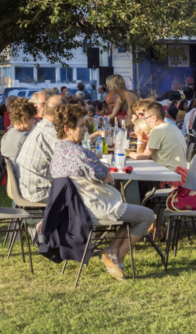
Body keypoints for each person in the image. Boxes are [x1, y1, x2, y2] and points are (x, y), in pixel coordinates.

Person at [49, 104, 155, 281]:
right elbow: (108, 178)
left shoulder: (58, 151)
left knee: (131, 217)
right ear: (68, 129)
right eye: (82, 125)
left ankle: (111, 250)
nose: (85, 129)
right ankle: (117, 255)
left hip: (74, 210)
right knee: (147, 215)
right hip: (96, 207)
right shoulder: (80, 153)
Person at [15, 95, 67, 202]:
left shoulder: (40, 128)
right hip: (40, 192)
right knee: (84, 194)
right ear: (62, 114)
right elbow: (72, 166)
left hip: (27, 188)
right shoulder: (52, 135)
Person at [130, 103, 187, 171]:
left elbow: (145, 156)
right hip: (179, 173)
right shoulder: (172, 127)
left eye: (146, 118)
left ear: (154, 118)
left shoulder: (157, 130)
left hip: (168, 174)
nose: (146, 121)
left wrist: (128, 154)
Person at [1, 98, 37, 163]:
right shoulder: (23, 137)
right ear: (24, 120)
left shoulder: (6, 136)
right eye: (33, 118)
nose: (35, 121)